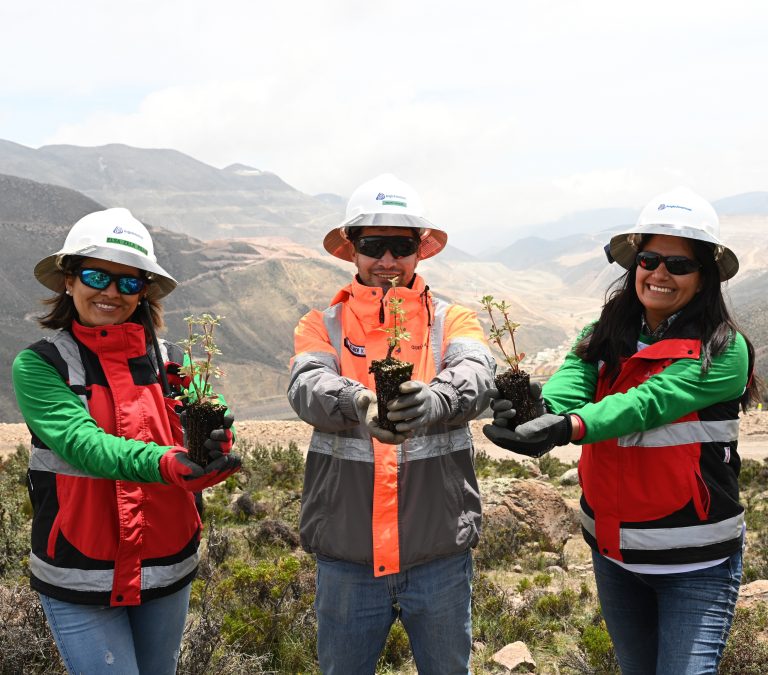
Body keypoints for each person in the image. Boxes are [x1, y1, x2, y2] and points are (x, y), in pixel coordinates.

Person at [483, 186, 760, 674]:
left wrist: (568, 427)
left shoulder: (724, 349)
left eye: (679, 265)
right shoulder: (606, 329)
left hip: (695, 565)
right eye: (650, 260)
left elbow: (649, 402)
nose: (659, 274)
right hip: (614, 553)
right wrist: (540, 410)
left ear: (706, 277)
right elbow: (575, 375)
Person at [11, 208, 241, 675]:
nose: (112, 292)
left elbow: (200, 439)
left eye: (129, 282)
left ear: (144, 292)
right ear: (69, 281)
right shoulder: (40, 366)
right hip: (78, 569)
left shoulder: (177, 363)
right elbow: (84, 445)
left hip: (166, 566)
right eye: (97, 275)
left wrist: (214, 448)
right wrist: (169, 463)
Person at [288, 173, 495, 674]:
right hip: (347, 553)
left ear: (418, 251)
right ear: (353, 249)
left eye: (399, 246)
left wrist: (437, 399)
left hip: (438, 552)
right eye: (373, 245)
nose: (386, 261)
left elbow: (478, 373)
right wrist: (360, 403)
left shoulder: (455, 321)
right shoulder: (322, 323)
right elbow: (306, 386)